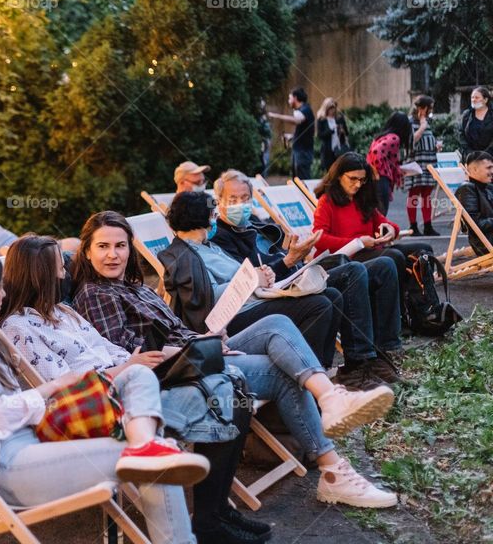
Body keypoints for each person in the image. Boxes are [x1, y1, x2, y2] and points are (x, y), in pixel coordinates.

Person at [70, 211, 398, 509]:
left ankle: (330, 398)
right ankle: (332, 468)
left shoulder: (134, 288)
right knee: (281, 371)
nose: (113, 255)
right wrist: (200, 348)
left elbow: (175, 330)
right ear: (87, 251)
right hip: (174, 372)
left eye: (120, 246)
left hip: (196, 351)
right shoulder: (96, 293)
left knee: (276, 323)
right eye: (103, 247)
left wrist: (211, 339)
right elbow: (132, 353)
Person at [0, 248, 205, 544]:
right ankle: (147, 450)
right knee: (152, 460)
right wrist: (53, 387)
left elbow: (14, 406)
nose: (4, 293)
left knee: (137, 376)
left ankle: (145, 444)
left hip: (36, 438)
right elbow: (0, 413)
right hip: (9, 465)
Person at [0, 235, 271, 544]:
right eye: (60, 268)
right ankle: (210, 518)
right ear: (41, 275)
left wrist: (168, 356)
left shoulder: (64, 312)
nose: (65, 274)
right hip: (107, 405)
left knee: (230, 382)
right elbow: (65, 388)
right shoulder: (19, 328)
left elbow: (110, 350)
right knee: (227, 395)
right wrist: (129, 367)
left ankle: (216, 510)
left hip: (135, 380)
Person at [210, 170, 404, 389]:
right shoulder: (220, 237)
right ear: (219, 202)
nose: (240, 204)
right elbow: (250, 281)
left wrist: (296, 255)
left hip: (296, 276)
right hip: (275, 292)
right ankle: (358, 365)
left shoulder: (255, 224)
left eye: (245, 198)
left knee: (383, 266)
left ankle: (381, 354)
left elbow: (281, 258)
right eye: (233, 199)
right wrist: (288, 261)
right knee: (352, 272)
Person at [159, 191, 341, 370]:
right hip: (233, 317)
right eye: (213, 215)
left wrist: (261, 274)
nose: (216, 219)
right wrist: (252, 280)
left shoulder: (209, 246)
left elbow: (239, 273)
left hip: (253, 301)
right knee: (318, 305)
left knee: (332, 296)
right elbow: (209, 297)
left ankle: (321, 369)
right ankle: (307, 372)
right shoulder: (184, 256)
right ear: (199, 218)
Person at [312, 153, 432, 294]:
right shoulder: (327, 201)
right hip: (344, 258)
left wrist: (391, 230)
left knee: (424, 249)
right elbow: (319, 239)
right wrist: (357, 242)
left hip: (368, 252)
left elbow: (386, 223)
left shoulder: (361, 198)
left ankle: (421, 302)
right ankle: (400, 304)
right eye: (353, 178)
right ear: (339, 176)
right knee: (394, 256)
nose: (358, 184)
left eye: (362, 180)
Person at [367, 111, 413, 217]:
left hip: (374, 179)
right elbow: (376, 152)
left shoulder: (381, 137)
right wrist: (378, 170)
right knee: (381, 213)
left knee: (376, 213)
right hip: (381, 179)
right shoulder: (394, 138)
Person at [405, 96, 439, 236]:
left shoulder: (427, 122)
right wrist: (422, 126)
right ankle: (413, 226)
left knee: (426, 196)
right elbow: (411, 142)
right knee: (413, 194)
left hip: (429, 162)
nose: (431, 110)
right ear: (422, 108)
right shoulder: (410, 122)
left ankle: (427, 226)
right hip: (416, 163)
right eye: (429, 108)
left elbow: (426, 140)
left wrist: (435, 146)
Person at [269, 87, 315, 180]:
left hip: (303, 152)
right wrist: (292, 136)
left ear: (295, 98)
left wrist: (276, 116)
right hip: (299, 150)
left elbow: (296, 120)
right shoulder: (301, 110)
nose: (288, 101)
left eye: (289, 98)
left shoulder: (305, 109)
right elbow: (304, 131)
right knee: (296, 179)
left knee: (303, 180)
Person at [455, 151, 493, 256]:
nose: (492, 171)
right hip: (486, 242)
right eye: (489, 168)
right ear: (475, 169)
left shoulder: (487, 187)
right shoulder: (467, 189)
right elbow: (474, 225)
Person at [316, 98, 349, 172]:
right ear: (326, 109)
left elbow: (347, 132)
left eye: (333, 108)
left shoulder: (339, 118)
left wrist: (342, 131)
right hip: (328, 150)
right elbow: (320, 135)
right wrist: (331, 130)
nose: (332, 110)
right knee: (330, 171)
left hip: (340, 148)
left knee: (341, 170)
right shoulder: (322, 120)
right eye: (330, 108)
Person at [460, 86, 493, 156]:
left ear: (485, 100)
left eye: (477, 97)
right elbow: (461, 134)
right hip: (470, 157)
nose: (473, 100)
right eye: (472, 97)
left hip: (490, 156)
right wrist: (470, 152)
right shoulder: (466, 115)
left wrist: (485, 154)